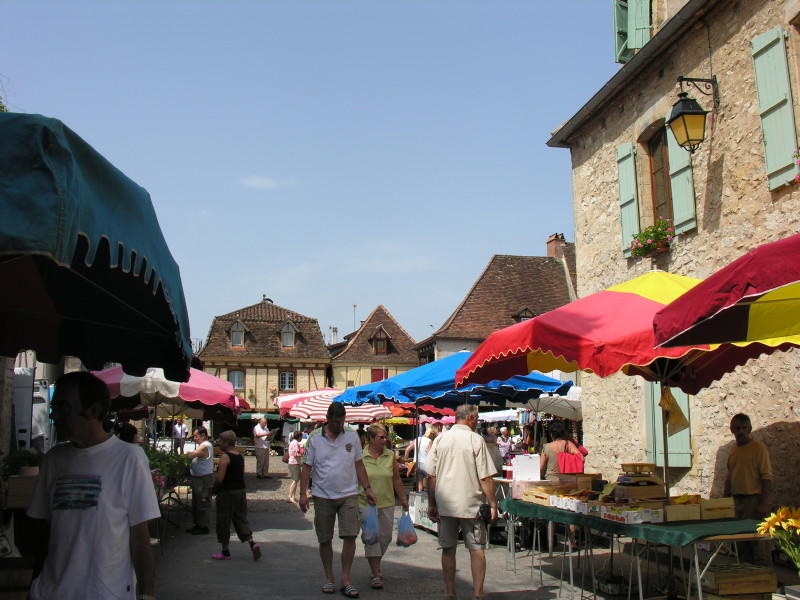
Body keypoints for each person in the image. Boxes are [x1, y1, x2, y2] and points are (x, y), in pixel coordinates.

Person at [27, 371, 159, 600]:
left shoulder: (129, 458)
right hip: (50, 592)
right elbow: (42, 533)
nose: (53, 414)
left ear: (94, 411)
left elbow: (140, 537)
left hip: (105, 593)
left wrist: (147, 594)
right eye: (54, 407)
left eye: (62, 407)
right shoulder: (54, 459)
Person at [300, 402, 377, 599]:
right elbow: (306, 467)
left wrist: (367, 488)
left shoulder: (352, 436)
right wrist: (302, 494)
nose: (339, 426)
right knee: (324, 538)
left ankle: (345, 579)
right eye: (335, 422)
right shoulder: (315, 438)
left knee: (350, 536)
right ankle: (329, 578)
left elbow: (359, 464)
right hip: (322, 494)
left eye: (341, 422)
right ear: (328, 419)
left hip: (349, 494)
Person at [426, 404, 497, 600]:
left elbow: (431, 475)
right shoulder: (475, 440)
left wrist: (431, 502)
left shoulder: (441, 439)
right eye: (477, 418)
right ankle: (478, 594)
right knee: (477, 549)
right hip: (470, 504)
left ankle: (450, 592)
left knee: (448, 549)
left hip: (445, 502)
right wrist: (492, 504)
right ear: (472, 418)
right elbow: (485, 477)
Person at [359, 424, 409, 590]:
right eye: (381, 437)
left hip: (387, 502)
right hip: (366, 504)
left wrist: (403, 498)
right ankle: (376, 573)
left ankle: (375, 564)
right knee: (372, 538)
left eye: (385, 437)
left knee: (385, 537)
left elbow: (396, 479)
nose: (385, 440)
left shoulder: (390, 456)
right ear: (371, 439)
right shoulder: (361, 456)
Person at [723, 413, 773, 565]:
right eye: (737, 428)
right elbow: (730, 477)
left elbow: (767, 477)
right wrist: (725, 502)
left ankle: (765, 581)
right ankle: (747, 581)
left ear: (750, 429)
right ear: (732, 429)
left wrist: (764, 503)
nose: (741, 431)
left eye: (744, 428)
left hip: (753, 500)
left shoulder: (759, 448)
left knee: (758, 544)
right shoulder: (733, 451)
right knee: (741, 544)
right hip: (737, 502)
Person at [212, 430, 261, 561]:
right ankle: (252, 543)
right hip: (240, 492)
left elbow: (220, 479)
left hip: (226, 493)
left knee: (223, 521)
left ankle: (225, 551)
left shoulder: (225, 457)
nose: (218, 443)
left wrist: (212, 491)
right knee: (241, 519)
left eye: (220, 440)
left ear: (227, 442)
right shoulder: (240, 456)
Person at [185, 426, 214, 535]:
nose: (194, 438)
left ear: (203, 436)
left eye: (196, 436)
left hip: (204, 479)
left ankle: (204, 526)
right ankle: (198, 524)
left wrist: (187, 454)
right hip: (199, 478)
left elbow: (191, 455)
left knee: (203, 501)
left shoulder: (205, 445)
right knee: (197, 502)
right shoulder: (202, 445)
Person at [403, 427, 436, 492]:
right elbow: (430, 453)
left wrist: (405, 460)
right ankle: (428, 499)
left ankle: (419, 498)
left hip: (416, 463)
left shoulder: (417, 439)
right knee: (429, 482)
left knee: (420, 482)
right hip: (425, 463)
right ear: (431, 434)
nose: (433, 436)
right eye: (433, 435)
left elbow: (407, 449)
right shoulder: (429, 441)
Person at [287, 430, 304, 504]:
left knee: (296, 480)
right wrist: (303, 454)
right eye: (301, 437)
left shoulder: (294, 442)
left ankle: (293, 496)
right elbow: (295, 454)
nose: (302, 438)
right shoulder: (295, 443)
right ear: (299, 437)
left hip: (295, 463)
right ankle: (290, 496)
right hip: (294, 463)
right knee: (295, 480)